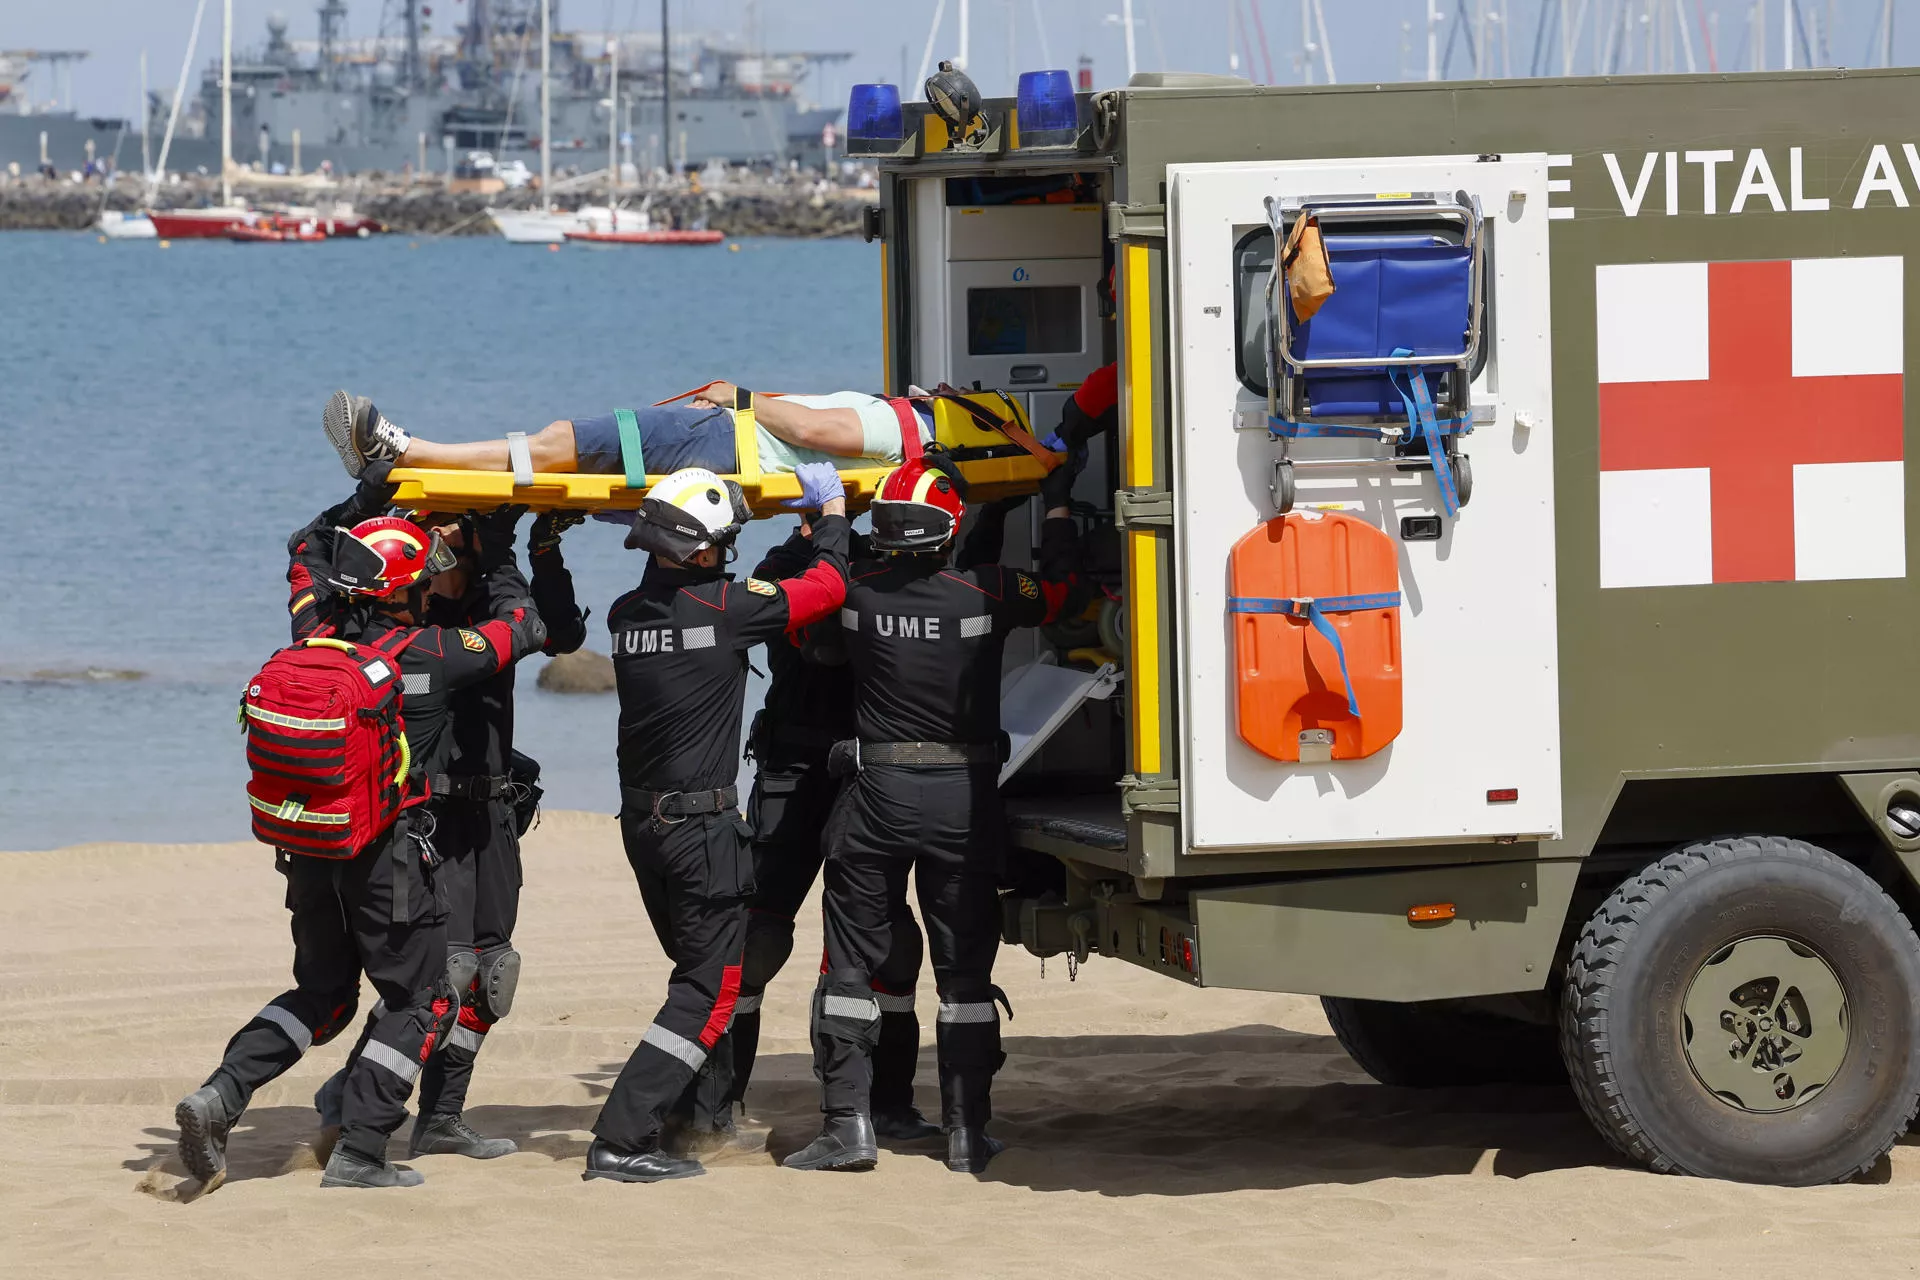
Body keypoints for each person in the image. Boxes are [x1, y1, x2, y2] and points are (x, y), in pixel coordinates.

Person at [175, 478, 548, 1192]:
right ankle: (362, 1152)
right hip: (387, 855)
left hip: (310, 849)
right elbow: (524, 627)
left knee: (324, 995)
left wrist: (366, 495)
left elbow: (303, 548)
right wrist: (499, 551)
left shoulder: (312, 627)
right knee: (425, 999)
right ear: (406, 590)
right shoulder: (434, 654)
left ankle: (220, 1095)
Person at [784, 451, 1086, 1175]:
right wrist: (1054, 506)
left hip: (877, 799)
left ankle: (848, 1127)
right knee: (964, 978)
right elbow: (1064, 594)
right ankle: (966, 1133)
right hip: (965, 802)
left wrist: (813, 532)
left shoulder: (857, 595)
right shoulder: (987, 592)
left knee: (852, 965)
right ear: (948, 530)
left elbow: (806, 634)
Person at [584, 461, 852, 1184]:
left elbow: (677, 585)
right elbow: (828, 587)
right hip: (700, 834)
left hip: (643, 827)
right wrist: (828, 516)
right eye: (724, 540)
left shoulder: (624, 615)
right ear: (704, 551)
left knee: (696, 976)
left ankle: (692, 1120)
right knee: (711, 988)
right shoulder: (726, 609)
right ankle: (620, 1137)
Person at [309, 507, 590, 1162]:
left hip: (492, 814)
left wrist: (532, 550)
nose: (447, 567)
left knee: (494, 973)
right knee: (443, 976)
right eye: (443, 552)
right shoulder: (407, 628)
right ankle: (351, 1092)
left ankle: (441, 1117)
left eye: (458, 554)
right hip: (429, 822)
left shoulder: (494, 595)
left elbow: (564, 633)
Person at [721, 520, 943, 1146]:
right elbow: (813, 635)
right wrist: (827, 534)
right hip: (792, 770)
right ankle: (722, 1107)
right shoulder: (786, 561)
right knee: (753, 940)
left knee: (888, 945)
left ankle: (888, 1105)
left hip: (870, 772)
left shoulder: (898, 563)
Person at [321, 380, 941, 484]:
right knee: (567, 450)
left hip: (722, 439)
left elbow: (813, 428)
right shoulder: (905, 429)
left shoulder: (901, 421)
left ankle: (403, 451)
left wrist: (740, 397)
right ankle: (414, 455)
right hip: (724, 445)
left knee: (569, 441)